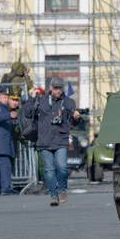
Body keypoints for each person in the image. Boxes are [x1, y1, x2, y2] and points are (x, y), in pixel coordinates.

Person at [34, 77, 81, 206]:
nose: (58, 91)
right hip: (44, 140)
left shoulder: (68, 102)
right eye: (55, 88)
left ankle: (62, 190)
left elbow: (74, 121)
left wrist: (76, 117)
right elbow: (30, 115)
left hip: (61, 139)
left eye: (60, 88)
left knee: (62, 168)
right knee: (49, 171)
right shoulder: (42, 101)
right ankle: (53, 195)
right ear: (50, 88)